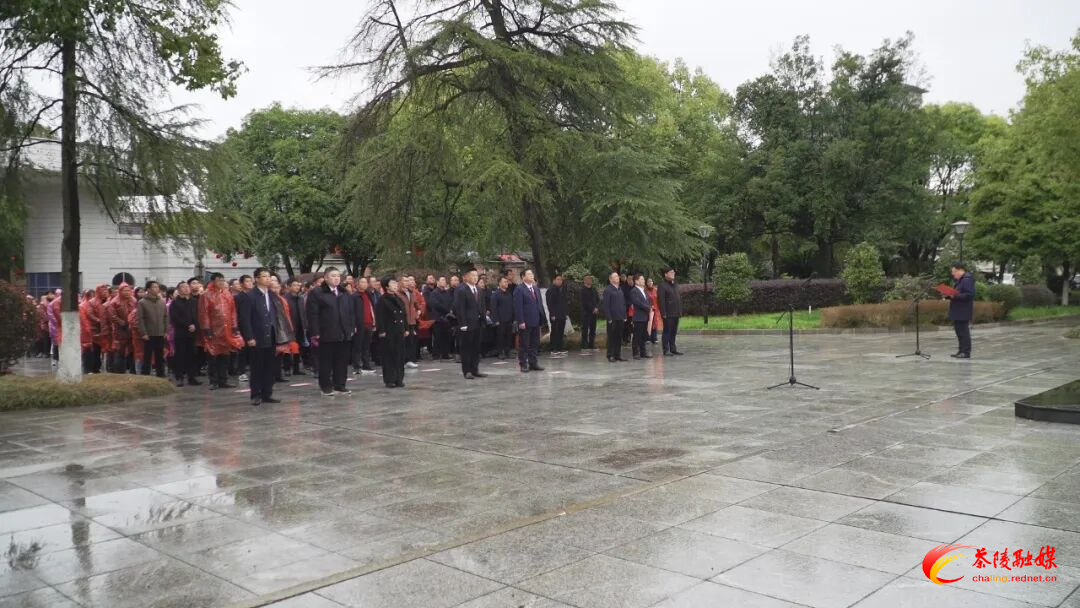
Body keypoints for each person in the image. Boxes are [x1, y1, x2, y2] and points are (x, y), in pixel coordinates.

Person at [238, 268, 286, 406]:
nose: (268, 279)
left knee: (270, 366)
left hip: (271, 335)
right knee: (257, 366)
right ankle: (256, 394)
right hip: (257, 336)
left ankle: (267, 393)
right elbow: (245, 319)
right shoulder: (250, 296)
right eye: (264, 276)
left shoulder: (272, 295)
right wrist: (249, 337)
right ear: (256, 279)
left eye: (269, 276)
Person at [307, 267, 355, 396]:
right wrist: (315, 332)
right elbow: (313, 314)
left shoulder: (344, 292)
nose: (336, 278)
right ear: (326, 278)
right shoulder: (317, 293)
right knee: (326, 362)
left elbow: (350, 312)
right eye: (333, 276)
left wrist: (351, 327)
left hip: (343, 333)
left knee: (342, 361)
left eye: (338, 276)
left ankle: (340, 385)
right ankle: (326, 387)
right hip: (326, 333)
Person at [198, 273, 240, 389]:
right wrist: (206, 329)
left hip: (226, 329)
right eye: (218, 280)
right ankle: (213, 381)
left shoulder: (227, 294)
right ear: (212, 281)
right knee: (212, 356)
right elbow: (203, 313)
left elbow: (233, 311)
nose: (221, 282)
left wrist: (234, 326)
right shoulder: (206, 295)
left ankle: (223, 380)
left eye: (223, 280)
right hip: (213, 329)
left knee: (225, 355)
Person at [453, 269, 487, 379]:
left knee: (476, 348)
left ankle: (475, 369)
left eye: (476, 275)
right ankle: (467, 371)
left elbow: (482, 306)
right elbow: (460, 308)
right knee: (466, 348)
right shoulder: (461, 290)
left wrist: (483, 318)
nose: (475, 278)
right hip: (467, 323)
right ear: (466, 277)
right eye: (473, 275)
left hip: (478, 322)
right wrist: (463, 323)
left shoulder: (479, 289)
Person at [375, 276, 408, 388]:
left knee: (399, 355)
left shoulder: (398, 298)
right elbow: (380, 317)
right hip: (389, 330)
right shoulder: (382, 300)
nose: (395, 285)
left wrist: (406, 328)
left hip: (399, 330)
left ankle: (399, 378)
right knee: (389, 355)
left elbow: (403, 314)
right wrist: (382, 330)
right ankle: (390, 379)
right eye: (392, 283)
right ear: (386, 286)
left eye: (395, 283)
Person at [513, 269, 545, 373]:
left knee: (534, 343)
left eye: (532, 274)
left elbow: (539, 304)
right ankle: (523, 364)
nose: (532, 275)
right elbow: (518, 307)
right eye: (529, 274)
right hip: (525, 321)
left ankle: (533, 363)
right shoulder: (519, 289)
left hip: (536, 320)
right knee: (524, 344)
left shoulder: (535, 289)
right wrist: (521, 321)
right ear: (523, 277)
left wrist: (541, 318)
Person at [169, 281, 200, 386]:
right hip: (181, 332)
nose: (186, 289)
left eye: (187, 287)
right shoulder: (175, 303)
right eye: (183, 287)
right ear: (178, 290)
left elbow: (197, 315)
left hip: (192, 332)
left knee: (192, 355)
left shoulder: (194, 301)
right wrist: (187, 325)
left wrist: (195, 325)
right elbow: (175, 318)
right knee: (180, 355)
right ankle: (179, 377)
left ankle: (192, 377)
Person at [137, 280, 169, 377]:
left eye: (157, 287)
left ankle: (161, 374)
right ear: (148, 289)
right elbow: (140, 319)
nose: (157, 289)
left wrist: (165, 330)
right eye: (154, 287)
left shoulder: (162, 302)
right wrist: (143, 333)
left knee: (160, 356)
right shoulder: (142, 302)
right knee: (147, 356)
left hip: (160, 333)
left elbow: (165, 317)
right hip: (149, 333)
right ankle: (145, 375)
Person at [946, 262, 976, 359]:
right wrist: (949, 295)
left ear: (960, 270)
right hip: (958, 310)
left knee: (963, 332)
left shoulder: (967, 280)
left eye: (954, 271)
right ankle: (961, 350)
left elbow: (969, 295)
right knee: (959, 332)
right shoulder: (960, 280)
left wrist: (954, 295)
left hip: (963, 310)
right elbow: (958, 293)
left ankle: (966, 352)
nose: (953, 274)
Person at [107, 283, 137, 373]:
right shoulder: (114, 302)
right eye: (125, 291)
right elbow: (112, 316)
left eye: (128, 290)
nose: (127, 292)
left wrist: (132, 323)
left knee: (133, 351)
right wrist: (122, 323)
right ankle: (119, 371)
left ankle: (133, 370)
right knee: (120, 352)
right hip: (120, 330)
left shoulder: (133, 300)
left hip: (132, 329)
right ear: (120, 291)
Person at [352, 276, 377, 374]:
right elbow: (352, 312)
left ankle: (366, 364)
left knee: (367, 346)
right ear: (357, 284)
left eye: (366, 282)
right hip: (359, 324)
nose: (365, 284)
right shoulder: (354, 296)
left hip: (369, 323)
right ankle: (357, 366)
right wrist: (353, 324)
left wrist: (375, 322)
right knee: (357, 346)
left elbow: (372, 309)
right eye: (362, 282)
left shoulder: (369, 295)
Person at [602, 272, 627, 362]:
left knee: (619, 337)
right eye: (615, 276)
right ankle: (610, 355)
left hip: (620, 317)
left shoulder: (620, 289)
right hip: (612, 318)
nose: (617, 278)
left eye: (618, 276)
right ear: (610, 279)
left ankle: (617, 354)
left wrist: (624, 315)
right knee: (612, 337)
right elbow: (606, 305)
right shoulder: (608, 290)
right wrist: (609, 318)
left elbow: (623, 304)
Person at [427, 276, 454, 360]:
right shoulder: (434, 293)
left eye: (445, 280)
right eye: (442, 280)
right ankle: (436, 354)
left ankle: (445, 353)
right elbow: (435, 304)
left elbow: (451, 302)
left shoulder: (447, 292)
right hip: (438, 318)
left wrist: (450, 310)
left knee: (447, 336)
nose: (444, 282)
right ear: (437, 282)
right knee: (437, 337)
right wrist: (447, 310)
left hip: (447, 318)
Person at [658, 268, 684, 356]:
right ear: (666, 274)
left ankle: (673, 348)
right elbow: (661, 300)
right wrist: (663, 313)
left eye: (673, 272)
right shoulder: (662, 285)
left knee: (673, 331)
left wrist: (680, 311)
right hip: (668, 313)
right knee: (667, 331)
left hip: (676, 312)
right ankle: (666, 349)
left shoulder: (675, 285)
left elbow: (678, 299)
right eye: (671, 272)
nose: (673, 274)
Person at [87, 284, 111, 373]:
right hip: (96, 329)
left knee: (108, 349)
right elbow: (90, 314)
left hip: (108, 329)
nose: (105, 292)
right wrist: (99, 321)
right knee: (96, 350)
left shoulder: (109, 300)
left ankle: (108, 368)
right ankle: (95, 368)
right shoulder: (92, 302)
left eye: (106, 290)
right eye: (102, 290)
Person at [490, 277, 515, 359]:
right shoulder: (495, 294)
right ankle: (500, 352)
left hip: (509, 319)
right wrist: (496, 320)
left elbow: (512, 306)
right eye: (504, 282)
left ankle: (508, 351)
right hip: (500, 320)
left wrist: (513, 317)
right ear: (500, 283)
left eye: (507, 282)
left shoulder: (509, 293)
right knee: (500, 337)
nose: (506, 283)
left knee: (509, 336)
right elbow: (493, 308)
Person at [629, 274, 653, 359]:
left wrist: (650, 306)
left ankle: (643, 352)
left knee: (643, 335)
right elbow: (637, 302)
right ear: (636, 281)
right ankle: (635, 353)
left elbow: (648, 301)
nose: (643, 281)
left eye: (643, 279)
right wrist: (647, 307)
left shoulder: (644, 290)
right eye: (642, 279)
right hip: (638, 317)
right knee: (637, 335)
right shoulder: (634, 291)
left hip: (645, 316)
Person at [545, 273, 568, 356]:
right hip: (554, 315)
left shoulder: (562, 290)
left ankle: (560, 347)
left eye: (561, 280)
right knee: (555, 331)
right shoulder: (550, 290)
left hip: (562, 314)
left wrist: (565, 313)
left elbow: (564, 303)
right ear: (554, 280)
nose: (560, 281)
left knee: (561, 332)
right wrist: (552, 314)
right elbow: (549, 303)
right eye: (558, 279)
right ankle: (553, 348)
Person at [579, 276, 599, 351]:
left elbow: (598, 300)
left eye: (590, 279)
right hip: (586, 313)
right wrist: (592, 308)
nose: (589, 281)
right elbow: (584, 302)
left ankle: (591, 344)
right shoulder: (582, 290)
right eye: (587, 279)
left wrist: (596, 308)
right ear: (584, 281)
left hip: (594, 313)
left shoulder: (594, 289)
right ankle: (584, 345)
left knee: (593, 330)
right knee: (585, 329)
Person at [645, 278, 662, 344]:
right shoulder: (645, 290)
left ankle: (654, 338)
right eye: (648, 282)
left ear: (653, 282)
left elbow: (659, 299)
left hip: (656, 309)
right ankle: (647, 338)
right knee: (649, 324)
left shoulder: (656, 290)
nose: (650, 283)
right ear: (647, 283)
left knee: (655, 324)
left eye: (651, 281)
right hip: (648, 310)